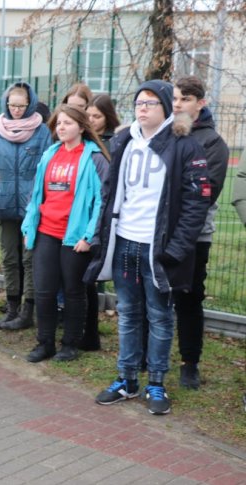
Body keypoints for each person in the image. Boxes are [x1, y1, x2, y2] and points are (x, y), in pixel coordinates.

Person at [87, 80, 210, 415]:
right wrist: (104, 233)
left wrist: (176, 248)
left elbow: (196, 203)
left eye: (151, 103)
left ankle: (156, 382)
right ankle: (127, 378)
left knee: (159, 316)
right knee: (127, 313)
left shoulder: (184, 145)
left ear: (167, 108)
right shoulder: (125, 140)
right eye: (139, 102)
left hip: (157, 249)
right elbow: (111, 191)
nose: (142, 108)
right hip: (125, 241)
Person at [21, 105, 110, 363]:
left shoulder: (94, 158)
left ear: (82, 127)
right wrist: (29, 227)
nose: (61, 127)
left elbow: (102, 202)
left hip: (75, 237)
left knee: (74, 292)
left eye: (68, 123)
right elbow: (36, 194)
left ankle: (70, 344)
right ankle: (44, 343)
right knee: (44, 291)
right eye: (59, 123)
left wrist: (89, 236)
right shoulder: (50, 154)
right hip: (46, 231)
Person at [170, 75, 230, 389]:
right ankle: (149, 355)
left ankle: (189, 362)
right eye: (175, 98)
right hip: (159, 231)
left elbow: (207, 192)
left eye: (185, 99)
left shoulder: (212, 143)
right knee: (156, 296)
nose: (178, 104)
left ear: (200, 103)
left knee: (189, 297)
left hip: (195, 236)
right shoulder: (165, 133)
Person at [0, 82, 53, 331]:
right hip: (4, 204)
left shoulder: (42, 131)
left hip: (31, 207)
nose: (16, 110)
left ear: (30, 104)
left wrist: (38, 200)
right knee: (8, 258)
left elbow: (46, 169)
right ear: (6, 103)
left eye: (21, 105)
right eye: (12, 105)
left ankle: (28, 311)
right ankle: (11, 308)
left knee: (29, 259)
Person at [79, 93, 121, 352]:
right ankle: (81, 327)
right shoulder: (83, 142)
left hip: (104, 215)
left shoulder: (114, 143)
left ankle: (91, 333)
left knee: (89, 278)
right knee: (81, 279)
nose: (92, 120)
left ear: (107, 118)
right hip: (81, 215)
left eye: (97, 116)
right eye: (89, 115)